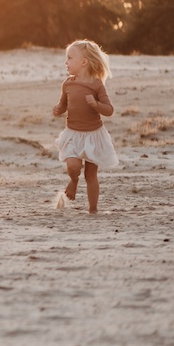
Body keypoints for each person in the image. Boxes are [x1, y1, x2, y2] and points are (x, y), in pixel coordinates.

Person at [52, 39, 118, 214]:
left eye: (70, 58)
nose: (66, 62)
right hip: (73, 133)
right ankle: (73, 180)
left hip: (93, 135)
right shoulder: (67, 83)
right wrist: (59, 109)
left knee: (91, 175)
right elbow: (64, 103)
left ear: (83, 62)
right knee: (73, 166)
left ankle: (93, 209)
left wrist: (96, 105)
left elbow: (109, 110)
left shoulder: (97, 85)